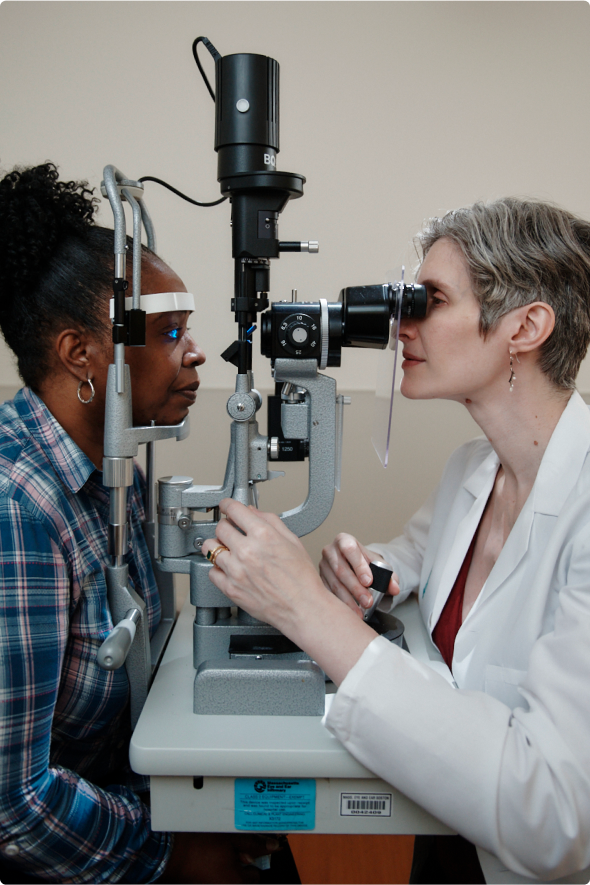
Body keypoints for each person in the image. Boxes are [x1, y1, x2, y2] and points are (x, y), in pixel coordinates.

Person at [202, 198, 590, 885]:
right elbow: (408, 560)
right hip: (444, 833)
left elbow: (554, 816)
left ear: (525, 326)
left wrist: (308, 610)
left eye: (428, 299)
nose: (398, 324)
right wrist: (364, 567)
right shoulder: (474, 469)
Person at [0, 163, 282, 884]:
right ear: (80, 354)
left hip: (127, 798)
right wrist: (175, 846)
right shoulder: (18, 510)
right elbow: (13, 802)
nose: (194, 352)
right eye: (169, 332)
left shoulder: (118, 465)